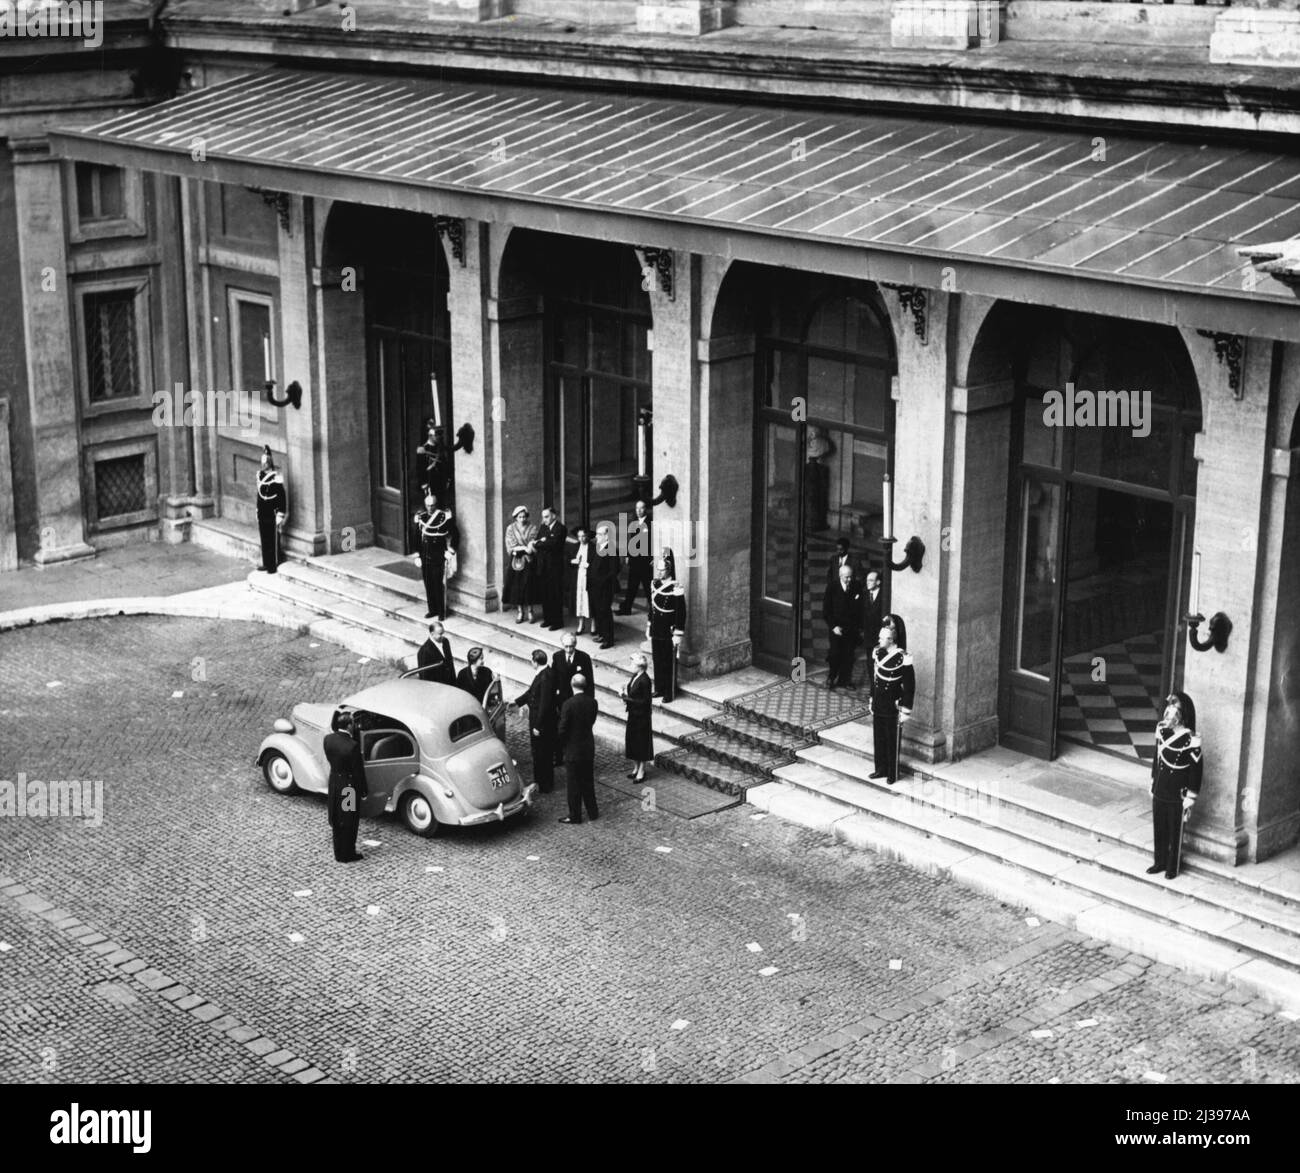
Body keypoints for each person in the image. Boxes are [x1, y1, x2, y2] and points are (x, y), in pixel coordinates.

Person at [1148, 691, 1203, 881]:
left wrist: (1191, 796)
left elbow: (1196, 771)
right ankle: (1159, 861)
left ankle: (1172, 866)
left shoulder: (1191, 739)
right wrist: (1153, 780)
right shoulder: (1161, 730)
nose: (1170, 714)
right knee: (1159, 827)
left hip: (1177, 791)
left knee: (1174, 830)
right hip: (1161, 787)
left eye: (1176, 709)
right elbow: (1157, 758)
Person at [868, 614, 915, 785]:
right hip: (880, 702)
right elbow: (875, 679)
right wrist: (872, 699)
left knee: (891, 738)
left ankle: (892, 773)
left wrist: (906, 709)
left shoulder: (903, 657)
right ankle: (880, 768)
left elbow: (909, 686)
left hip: (892, 704)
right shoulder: (877, 653)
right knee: (879, 737)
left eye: (882, 638)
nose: (879, 640)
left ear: (891, 639)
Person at [324, 709, 367, 864]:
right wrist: (363, 790)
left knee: (336, 818)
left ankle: (338, 851)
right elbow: (357, 771)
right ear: (349, 726)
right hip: (348, 788)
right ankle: (348, 852)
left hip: (335, 783)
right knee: (349, 820)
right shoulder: (352, 746)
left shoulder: (328, 739)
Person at [512, 649, 557, 794]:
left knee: (542, 753)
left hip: (541, 723)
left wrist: (538, 726)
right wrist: (517, 702)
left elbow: (545, 703)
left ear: (535, 662)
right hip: (540, 721)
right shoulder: (544, 674)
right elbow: (531, 693)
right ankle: (541, 781)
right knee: (540, 753)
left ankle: (544, 784)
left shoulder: (545, 677)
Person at [557, 674, 599, 825]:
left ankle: (575, 815)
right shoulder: (593, 702)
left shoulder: (568, 704)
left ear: (571, 684)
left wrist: (563, 744)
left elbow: (562, 729)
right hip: (587, 747)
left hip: (573, 749)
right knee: (588, 781)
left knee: (574, 785)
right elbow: (592, 721)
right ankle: (592, 812)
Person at [412, 489, 459, 621]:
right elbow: (416, 536)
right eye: (428, 505)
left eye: (432, 505)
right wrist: (417, 555)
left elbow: (455, 534)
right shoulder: (422, 518)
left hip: (438, 554)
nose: (430, 508)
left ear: (436, 505)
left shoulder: (444, 517)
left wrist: (450, 551)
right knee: (428, 583)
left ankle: (441, 611)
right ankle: (432, 609)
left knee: (438, 583)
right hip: (425, 554)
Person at [647, 548, 686, 703]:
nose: (659, 573)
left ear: (669, 570)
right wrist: (649, 623)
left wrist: (678, 632)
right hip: (656, 627)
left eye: (662, 570)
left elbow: (681, 612)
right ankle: (659, 687)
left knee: (668, 660)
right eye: (658, 570)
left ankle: (669, 691)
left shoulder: (676, 587)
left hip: (668, 629)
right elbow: (652, 607)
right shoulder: (654, 584)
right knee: (657, 658)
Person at [824, 563, 863, 690]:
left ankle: (845, 680)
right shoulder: (832, 587)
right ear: (840, 576)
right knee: (835, 654)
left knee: (849, 655)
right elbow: (826, 610)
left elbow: (860, 607)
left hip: (851, 629)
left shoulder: (856, 586)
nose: (849, 580)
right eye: (846, 577)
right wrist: (833, 626)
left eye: (851, 577)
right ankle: (831, 677)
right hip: (836, 628)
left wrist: (858, 628)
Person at [503, 504, 539, 624]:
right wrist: (523, 547)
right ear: (516, 517)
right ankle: (520, 611)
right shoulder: (510, 529)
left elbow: (533, 543)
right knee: (517, 587)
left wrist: (528, 547)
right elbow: (511, 545)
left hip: (528, 561)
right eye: (520, 517)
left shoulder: (532, 528)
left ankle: (530, 611)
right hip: (516, 562)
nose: (522, 519)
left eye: (524, 517)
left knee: (529, 586)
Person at [534, 506, 568, 630]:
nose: (544, 519)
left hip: (555, 568)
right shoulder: (543, 527)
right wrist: (543, 541)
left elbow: (554, 544)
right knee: (545, 594)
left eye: (547, 516)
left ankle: (557, 621)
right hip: (543, 566)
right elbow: (537, 542)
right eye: (543, 517)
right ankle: (547, 619)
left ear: (554, 515)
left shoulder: (561, 528)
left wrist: (543, 542)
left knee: (555, 594)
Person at [255, 446, 287, 574]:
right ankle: (266, 563)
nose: (263, 465)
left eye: (265, 463)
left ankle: (273, 564)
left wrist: (281, 513)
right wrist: (257, 510)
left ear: (269, 463)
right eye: (262, 463)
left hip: (272, 512)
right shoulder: (259, 476)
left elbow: (281, 496)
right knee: (264, 538)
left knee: (273, 538)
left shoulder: (276, 477)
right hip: (263, 511)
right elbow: (259, 495)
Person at [622, 652, 654, 782]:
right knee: (633, 741)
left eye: (633, 663)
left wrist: (627, 699)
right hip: (633, 715)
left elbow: (645, 701)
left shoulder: (645, 680)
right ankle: (636, 767)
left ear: (639, 666)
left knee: (641, 742)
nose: (631, 666)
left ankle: (641, 770)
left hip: (642, 717)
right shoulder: (635, 676)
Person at [618, 499, 653, 615]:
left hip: (646, 560)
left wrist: (653, 558)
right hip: (635, 560)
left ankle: (654, 611)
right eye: (637, 508)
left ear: (646, 509)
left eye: (641, 508)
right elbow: (632, 540)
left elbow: (653, 542)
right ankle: (626, 608)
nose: (639, 510)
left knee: (648, 587)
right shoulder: (634, 522)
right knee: (631, 586)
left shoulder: (650, 523)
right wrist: (628, 555)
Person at [590, 523, 620, 650]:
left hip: (605, 587)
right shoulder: (598, 547)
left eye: (600, 534)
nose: (597, 536)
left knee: (605, 611)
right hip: (595, 586)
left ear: (607, 536)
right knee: (597, 611)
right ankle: (601, 634)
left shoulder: (611, 548)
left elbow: (615, 569)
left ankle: (609, 639)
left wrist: (602, 581)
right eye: (597, 534)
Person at [552, 631, 595, 705]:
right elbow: (554, 676)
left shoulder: (584, 658)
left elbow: (590, 681)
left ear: (575, 645)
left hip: (578, 700)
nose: (568, 650)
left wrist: (589, 701)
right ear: (562, 645)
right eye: (566, 646)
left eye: (571, 646)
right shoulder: (557, 656)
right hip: (562, 698)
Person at [416, 620, 456, 686]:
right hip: (437, 686)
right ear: (432, 634)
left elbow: (450, 663)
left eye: (443, 633)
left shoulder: (445, 641)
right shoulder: (424, 651)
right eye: (440, 634)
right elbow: (424, 676)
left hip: (449, 684)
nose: (442, 636)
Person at [571, 526, 593, 635]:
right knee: (579, 600)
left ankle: (593, 625)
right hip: (578, 576)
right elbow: (568, 559)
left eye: (583, 536)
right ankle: (581, 624)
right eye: (579, 536)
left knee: (589, 599)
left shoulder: (593, 547)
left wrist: (587, 565)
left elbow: (595, 563)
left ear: (588, 536)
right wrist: (573, 561)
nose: (581, 538)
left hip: (589, 577)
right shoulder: (575, 547)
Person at [861, 570, 883, 649]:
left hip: (881, 635)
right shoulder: (864, 594)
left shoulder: (884, 595)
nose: (867, 582)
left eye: (871, 580)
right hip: (868, 635)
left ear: (878, 582)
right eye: (867, 580)